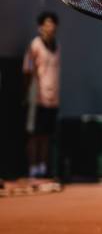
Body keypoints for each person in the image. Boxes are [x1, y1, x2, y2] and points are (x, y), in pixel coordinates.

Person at [23, 12, 61, 180]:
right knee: (34, 135)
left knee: (46, 135)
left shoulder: (57, 46)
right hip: (37, 97)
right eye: (47, 23)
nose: (50, 26)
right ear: (40, 26)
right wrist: (29, 93)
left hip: (53, 98)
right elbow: (27, 70)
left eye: (52, 23)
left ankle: (42, 168)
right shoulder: (35, 45)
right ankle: (32, 169)